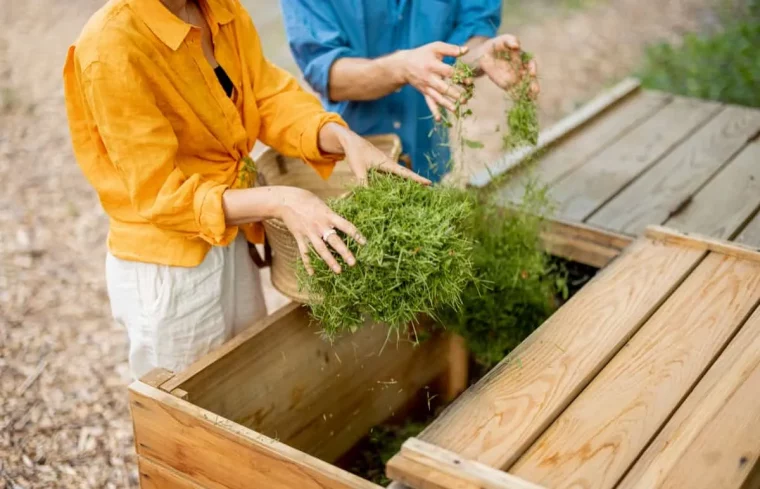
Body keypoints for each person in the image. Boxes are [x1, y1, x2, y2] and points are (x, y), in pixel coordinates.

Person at [63, 0, 429, 380]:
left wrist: (338, 136)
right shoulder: (110, 47)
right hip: (169, 266)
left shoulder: (218, 8)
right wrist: (280, 200)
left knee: (246, 380)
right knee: (188, 409)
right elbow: (162, 196)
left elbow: (267, 96)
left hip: (230, 230)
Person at [280, 0, 539, 182]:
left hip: (426, 149)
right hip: (350, 162)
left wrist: (482, 54)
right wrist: (400, 69)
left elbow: (471, 33)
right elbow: (327, 73)